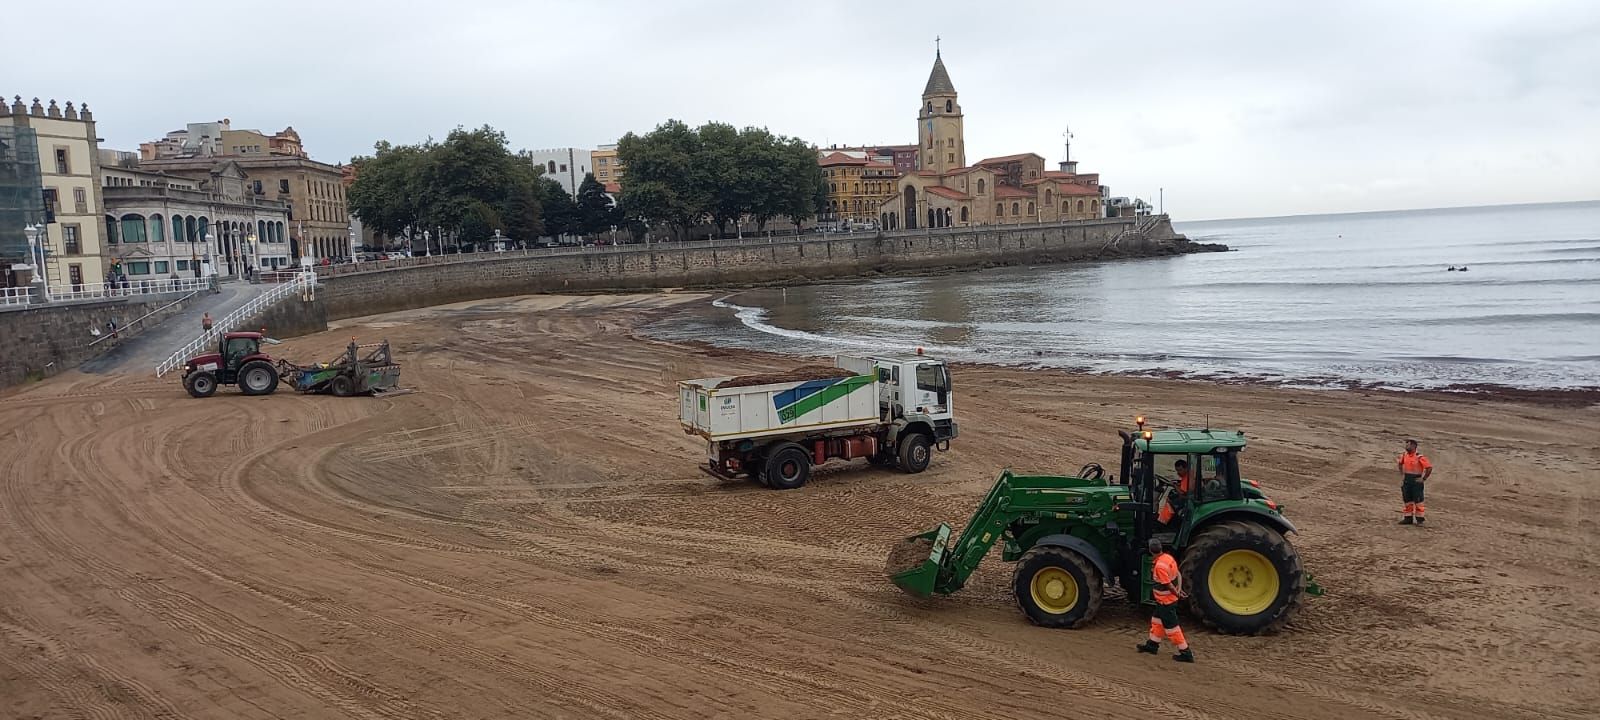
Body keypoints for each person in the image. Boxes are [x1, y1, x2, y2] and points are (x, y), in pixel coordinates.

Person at [1136, 538, 1195, 663]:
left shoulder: (1159, 567)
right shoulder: (1168, 558)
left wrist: (1177, 593)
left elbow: (1167, 584)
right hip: (1165, 600)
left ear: (1150, 551)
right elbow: (1177, 574)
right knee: (1156, 621)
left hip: (1166, 601)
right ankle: (1152, 645)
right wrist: (1179, 590)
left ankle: (1185, 652)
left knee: (1172, 627)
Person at [1398, 439, 1434, 525]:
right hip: (1407, 480)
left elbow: (1429, 467)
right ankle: (1408, 518)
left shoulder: (1419, 457)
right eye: (1406, 445)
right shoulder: (1404, 455)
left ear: (1413, 446)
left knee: (1418, 500)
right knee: (1407, 499)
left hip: (1416, 480)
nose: (1406, 447)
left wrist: (1423, 478)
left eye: (1408, 445)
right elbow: (1400, 463)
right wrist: (1402, 474)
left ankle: (1420, 519)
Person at [1156, 459, 1192, 525]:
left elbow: (1182, 493)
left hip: (1187, 499)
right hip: (1187, 497)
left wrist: (1174, 485)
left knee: (1169, 503)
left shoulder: (1188, 478)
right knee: (1171, 496)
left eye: (1180, 470)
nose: (1178, 472)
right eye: (1177, 470)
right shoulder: (1187, 476)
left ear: (1186, 468)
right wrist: (1178, 484)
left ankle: (1162, 522)